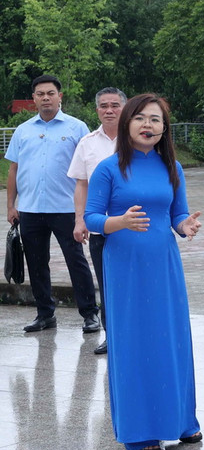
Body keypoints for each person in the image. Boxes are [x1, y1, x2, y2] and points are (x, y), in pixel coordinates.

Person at [84, 93, 203, 450]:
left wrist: (185, 226)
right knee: (134, 340)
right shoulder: (108, 168)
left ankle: (182, 422)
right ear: (127, 123)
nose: (147, 125)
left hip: (164, 263)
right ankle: (140, 432)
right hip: (125, 264)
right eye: (140, 118)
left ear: (164, 128)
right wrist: (119, 222)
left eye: (155, 119)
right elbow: (91, 218)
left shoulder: (172, 167)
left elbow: (177, 214)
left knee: (171, 337)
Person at [6, 74, 100, 334]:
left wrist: (86, 211)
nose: (45, 98)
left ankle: (90, 314)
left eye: (50, 93)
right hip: (30, 209)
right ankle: (45, 314)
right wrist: (11, 206)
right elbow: (14, 169)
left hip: (66, 209)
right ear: (33, 99)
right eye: (40, 94)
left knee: (76, 261)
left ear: (60, 96)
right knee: (36, 264)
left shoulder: (77, 128)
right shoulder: (23, 130)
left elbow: (88, 170)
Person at [67, 87, 127, 354]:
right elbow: (82, 185)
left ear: (125, 108)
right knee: (107, 284)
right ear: (97, 110)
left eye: (115, 105)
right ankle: (111, 336)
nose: (109, 110)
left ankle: (135, 336)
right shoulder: (87, 143)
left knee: (135, 283)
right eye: (104, 106)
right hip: (101, 228)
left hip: (134, 226)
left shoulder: (137, 140)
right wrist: (80, 220)